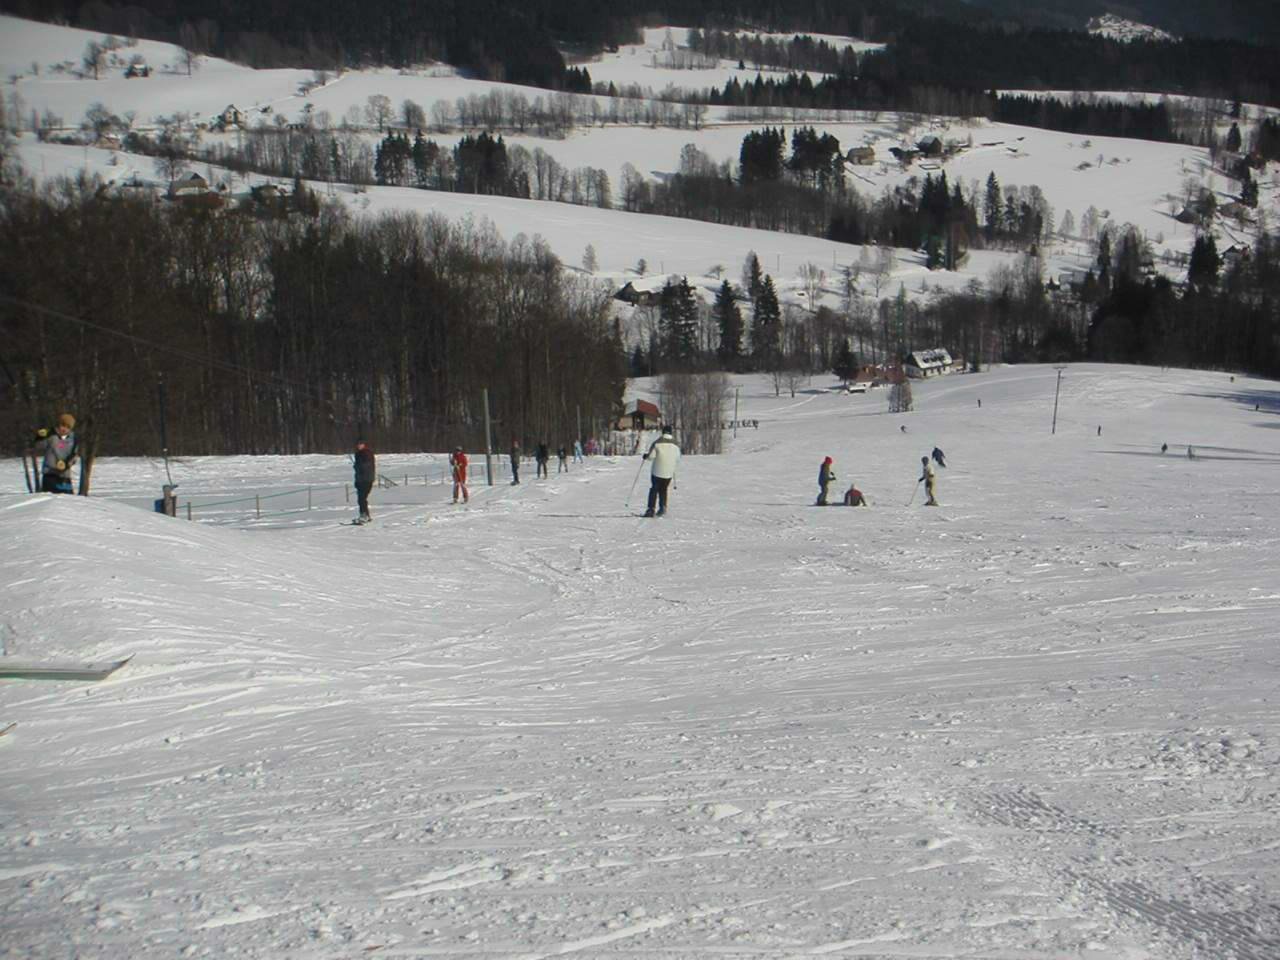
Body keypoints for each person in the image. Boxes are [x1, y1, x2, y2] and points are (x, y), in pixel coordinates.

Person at [32, 413, 78, 494]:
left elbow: (74, 456)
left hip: (65, 476)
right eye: (63, 425)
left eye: (68, 427)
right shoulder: (51, 435)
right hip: (50, 474)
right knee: (51, 499)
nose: (64, 429)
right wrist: (39, 437)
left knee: (68, 500)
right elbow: (39, 446)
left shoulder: (73, 439)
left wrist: (66, 464)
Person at [642, 426, 680, 517]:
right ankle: (662, 507)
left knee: (654, 489)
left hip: (657, 471)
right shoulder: (676, 444)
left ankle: (651, 509)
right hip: (669, 473)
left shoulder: (657, 443)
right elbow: (677, 458)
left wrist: (646, 456)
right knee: (663, 489)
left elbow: (651, 457)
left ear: (663, 432)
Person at [353, 439, 376, 523]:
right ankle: (366, 515)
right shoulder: (358, 454)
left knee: (362, 498)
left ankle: (364, 515)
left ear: (364, 445)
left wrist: (357, 466)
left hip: (367, 479)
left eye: (360, 444)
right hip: (361, 479)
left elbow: (366, 465)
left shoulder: (367, 453)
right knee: (361, 498)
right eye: (358, 444)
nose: (359, 446)